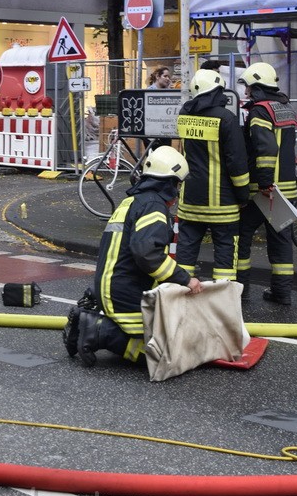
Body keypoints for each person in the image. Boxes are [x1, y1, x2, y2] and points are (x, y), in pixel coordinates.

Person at [62, 145, 203, 367]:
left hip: (113, 288)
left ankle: (92, 323)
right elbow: (147, 254)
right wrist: (185, 279)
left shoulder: (134, 201)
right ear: (169, 183)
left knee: (170, 341)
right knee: (165, 357)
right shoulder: (153, 206)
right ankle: (96, 330)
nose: (177, 192)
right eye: (177, 184)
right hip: (124, 293)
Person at [175, 68, 251, 283]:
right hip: (223, 203)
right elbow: (236, 162)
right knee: (225, 250)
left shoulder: (184, 114)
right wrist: (243, 196)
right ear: (218, 91)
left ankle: (180, 294)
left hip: (190, 200)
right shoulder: (226, 118)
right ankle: (222, 299)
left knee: (186, 251)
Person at [236, 62, 297, 305]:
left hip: (263, 190)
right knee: (281, 240)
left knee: (242, 235)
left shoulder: (260, 111)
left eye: (249, 88)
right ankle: (282, 293)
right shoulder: (286, 108)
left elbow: (266, 148)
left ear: (258, 87)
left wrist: (264, 183)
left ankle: (239, 292)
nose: (247, 93)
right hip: (287, 188)